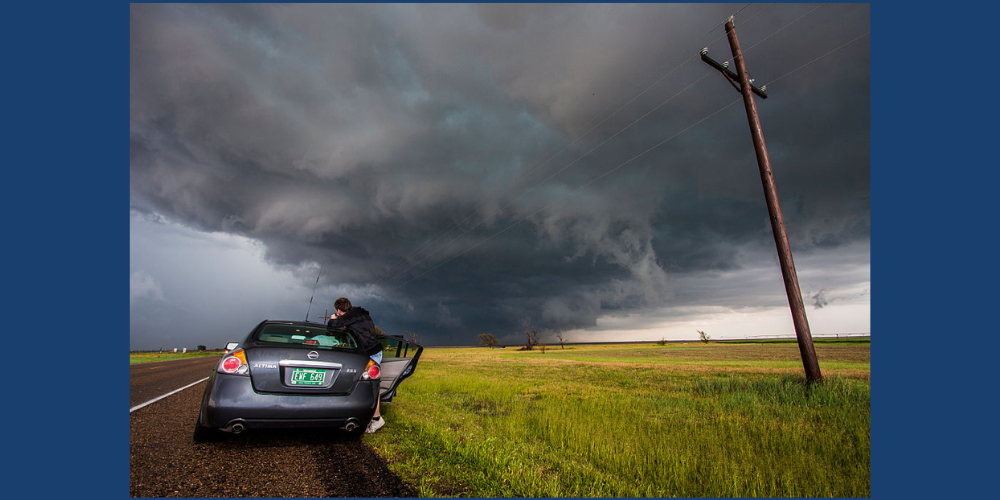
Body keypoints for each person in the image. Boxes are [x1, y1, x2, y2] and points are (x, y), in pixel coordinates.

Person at [327, 297, 385, 433]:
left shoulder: (350, 316)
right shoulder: (360, 314)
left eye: (338, 311)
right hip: (375, 351)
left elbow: (331, 326)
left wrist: (333, 319)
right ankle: (371, 416)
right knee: (370, 384)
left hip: (370, 353)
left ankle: (376, 419)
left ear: (339, 310)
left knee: (371, 385)